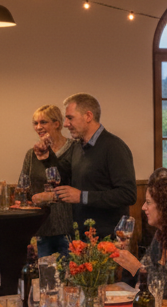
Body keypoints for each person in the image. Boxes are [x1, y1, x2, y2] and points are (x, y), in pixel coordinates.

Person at [43, 94, 138, 236]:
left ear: (88, 116)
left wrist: (82, 196)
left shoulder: (114, 147)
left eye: (70, 118)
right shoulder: (77, 146)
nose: (66, 124)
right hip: (81, 236)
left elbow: (128, 194)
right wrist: (47, 157)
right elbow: (63, 176)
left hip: (107, 240)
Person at [112, 176, 167, 294]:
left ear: (166, 206)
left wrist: (136, 267)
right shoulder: (162, 233)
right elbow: (145, 269)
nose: (143, 207)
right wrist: (130, 261)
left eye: (148, 202)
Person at [16, 105, 77, 257]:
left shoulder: (74, 149)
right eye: (35, 123)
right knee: (44, 271)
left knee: (71, 270)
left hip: (69, 229)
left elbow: (78, 185)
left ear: (57, 124)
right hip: (41, 229)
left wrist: (51, 196)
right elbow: (22, 189)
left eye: (43, 122)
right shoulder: (31, 154)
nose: (38, 127)